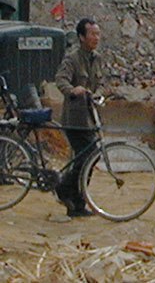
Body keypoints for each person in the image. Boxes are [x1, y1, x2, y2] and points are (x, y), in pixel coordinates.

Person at [54, 18, 102, 218]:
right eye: (92, 34)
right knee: (88, 156)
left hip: (90, 117)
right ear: (82, 37)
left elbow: (97, 82)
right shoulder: (72, 58)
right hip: (74, 118)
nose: (96, 38)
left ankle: (76, 201)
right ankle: (65, 189)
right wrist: (73, 90)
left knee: (89, 157)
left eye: (98, 34)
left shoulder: (96, 58)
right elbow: (60, 79)